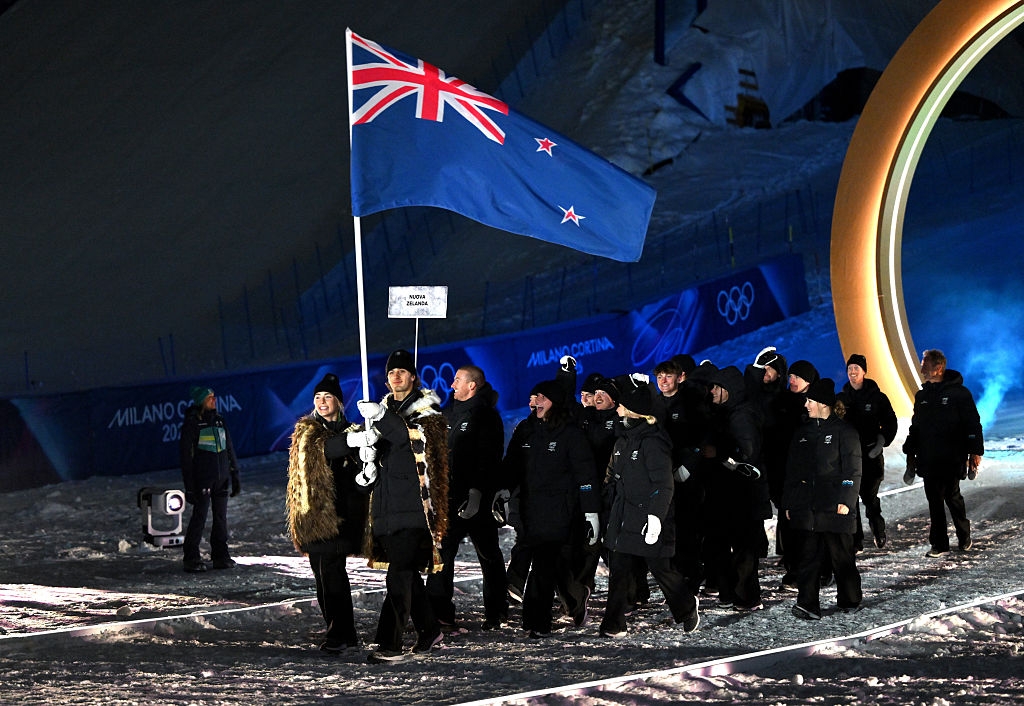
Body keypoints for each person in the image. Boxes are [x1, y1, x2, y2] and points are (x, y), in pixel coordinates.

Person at [344, 349, 450, 663]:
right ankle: (430, 630)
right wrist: (364, 464)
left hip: (417, 507)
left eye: (402, 372)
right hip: (386, 507)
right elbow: (371, 448)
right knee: (407, 574)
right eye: (392, 373)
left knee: (399, 574)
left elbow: (411, 440)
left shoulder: (427, 408)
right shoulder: (381, 409)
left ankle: (390, 644)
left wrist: (380, 418)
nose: (396, 377)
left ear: (413, 376)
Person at [599, 376, 700, 638]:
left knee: (661, 569)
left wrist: (655, 517)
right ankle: (613, 624)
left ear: (636, 412)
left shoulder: (653, 442)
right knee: (619, 572)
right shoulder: (622, 440)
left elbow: (664, 484)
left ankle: (687, 607)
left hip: (649, 518)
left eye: (622, 406)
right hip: (623, 516)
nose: (617, 409)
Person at [502, 379, 598, 638]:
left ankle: (537, 622)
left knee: (543, 565)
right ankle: (577, 600)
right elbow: (511, 465)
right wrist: (503, 491)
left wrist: (591, 512)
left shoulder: (571, 433)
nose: (534, 403)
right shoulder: (525, 430)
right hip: (529, 510)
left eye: (540, 397)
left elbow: (585, 475)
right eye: (533, 397)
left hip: (561, 512)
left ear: (554, 401)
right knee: (554, 566)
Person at [286, 373, 369, 653]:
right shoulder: (308, 431)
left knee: (333, 573)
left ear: (339, 402)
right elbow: (323, 450)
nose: (322, 402)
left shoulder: (353, 430)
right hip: (316, 516)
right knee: (324, 575)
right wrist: (354, 441)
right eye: (318, 398)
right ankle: (339, 630)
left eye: (328, 397)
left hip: (344, 514)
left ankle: (341, 632)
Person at [426, 364, 509, 630]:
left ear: (471, 385)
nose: (451, 385)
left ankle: (496, 611)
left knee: (488, 555)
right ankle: (441, 612)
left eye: (457, 380)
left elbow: (490, 457)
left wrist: (477, 492)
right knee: (443, 555)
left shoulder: (486, 415)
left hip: (476, 501)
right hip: (448, 499)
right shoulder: (447, 413)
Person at [782, 378, 863, 620]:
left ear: (823, 404)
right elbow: (793, 472)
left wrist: (846, 500)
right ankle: (807, 604)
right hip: (808, 506)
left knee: (842, 558)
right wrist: (788, 503)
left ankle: (849, 599)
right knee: (808, 557)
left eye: (810, 400)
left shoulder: (844, 432)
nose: (806, 404)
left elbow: (852, 471)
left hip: (834, 506)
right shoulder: (802, 433)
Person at [700, 364, 770, 612]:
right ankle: (730, 593)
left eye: (717, 387)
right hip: (726, 493)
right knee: (725, 544)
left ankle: (747, 597)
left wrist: (718, 454)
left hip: (743, 494)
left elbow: (747, 455)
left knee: (743, 549)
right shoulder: (724, 413)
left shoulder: (741, 415)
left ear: (729, 389)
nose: (713, 392)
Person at [902, 349, 984, 558]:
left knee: (952, 497)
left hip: (952, 456)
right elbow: (916, 427)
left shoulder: (959, 394)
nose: (921, 366)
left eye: (925, 362)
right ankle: (939, 544)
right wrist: (910, 451)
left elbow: (972, 423)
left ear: (938, 368)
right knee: (934, 500)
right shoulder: (922, 396)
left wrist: (975, 451)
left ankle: (964, 534)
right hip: (929, 458)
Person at [652, 357, 709, 594]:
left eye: (668, 376)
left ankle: (692, 580)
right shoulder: (652, 404)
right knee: (668, 532)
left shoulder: (690, 403)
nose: (663, 381)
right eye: (659, 377)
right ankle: (675, 581)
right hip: (662, 476)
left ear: (680, 377)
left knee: (688, 530)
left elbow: (702, 437)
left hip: (686, 478)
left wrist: (688, 466)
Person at [836, 354, 898, 550]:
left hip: (871, 457)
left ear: (864, 371)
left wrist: (881, 442)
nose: (852, 373)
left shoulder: (877, 397)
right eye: (849, 369)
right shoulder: (841, 398)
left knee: (869, 498)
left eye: (856, 368)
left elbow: (890, 421)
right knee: (850, 499)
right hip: (848, 460)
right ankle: (856, 540)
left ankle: (878, 531)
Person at [179, 385, 240, 574]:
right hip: (203, 480)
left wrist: (235, 475)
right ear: (201, 401)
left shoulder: (220, 421)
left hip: (221, 479)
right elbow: (186, 458)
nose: (214, 400)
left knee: (221, 518)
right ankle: (191, 557)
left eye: (214, 397)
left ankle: (220, 555)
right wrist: (189, 486)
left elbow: (229, 449)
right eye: (209, 398)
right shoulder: (193, 424)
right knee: (200, 517)